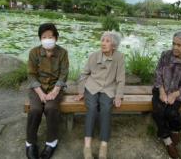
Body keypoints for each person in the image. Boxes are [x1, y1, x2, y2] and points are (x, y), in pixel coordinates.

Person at [74, 31, 125, 159]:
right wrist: (81, 91)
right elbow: (84, 74)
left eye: (107, 41)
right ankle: (87, 146)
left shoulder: (119, 57)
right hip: (92, 87)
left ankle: (103, 145)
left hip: (108, 88)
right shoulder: (93, 56)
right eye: (102, 40)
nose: (103, 43)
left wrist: (118, 96)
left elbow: (120, 79)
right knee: (91, 108)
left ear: (114, 45)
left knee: (106, 108)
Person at [26, 23, 69, 159]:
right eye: (44, 37)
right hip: (37, 87)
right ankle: (30, 142)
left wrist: (55, 92)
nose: (47, 39)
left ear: (56, 38)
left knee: (51, 108)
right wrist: (40, 93)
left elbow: (63, 74)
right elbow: (31, 75)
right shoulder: (34, 52)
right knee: (35, 110)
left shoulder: (62, 53)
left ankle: (51, 142)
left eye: (50, 36)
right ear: (40, 38)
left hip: (55, 87)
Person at [152, 31, 181, 159]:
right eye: (173, 44)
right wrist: (161, 91)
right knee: (158, 112)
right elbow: (157, 73)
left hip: (178, 93)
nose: (175, 47)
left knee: (171, 113)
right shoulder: (165, 55)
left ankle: (176, 129)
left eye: (179, 45)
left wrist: (174, 94)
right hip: (161, 89)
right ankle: (168, 142)